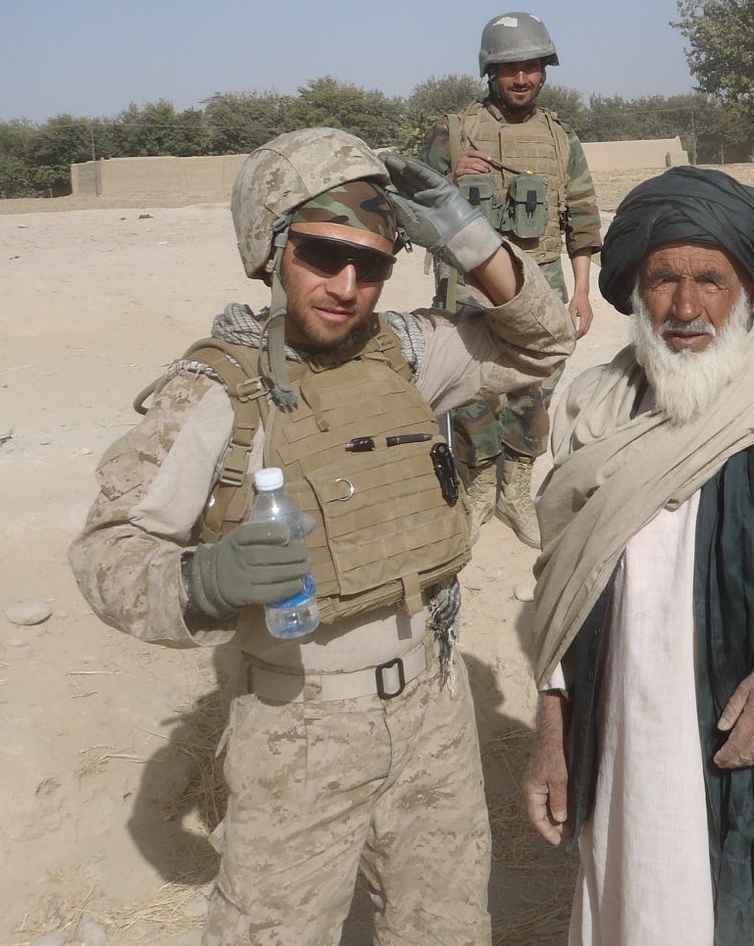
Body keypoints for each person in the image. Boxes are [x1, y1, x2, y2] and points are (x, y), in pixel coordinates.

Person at [70, 128, 574, 945]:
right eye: (323, 256)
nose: (347, 286)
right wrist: (202, 581)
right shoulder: (217, 392)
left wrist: (468, 236)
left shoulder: (405, 353)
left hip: (434, 712)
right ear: (270, 249)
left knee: (446, 929)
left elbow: (544, 340)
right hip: (299, 730)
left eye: (371, 265)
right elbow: (106, 550)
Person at [523, 168, 754, 946]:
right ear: (636, 290)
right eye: (663, 278)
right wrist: (552, 733)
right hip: (620, 743)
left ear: (749, 291)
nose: (686, 307)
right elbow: (561, 595)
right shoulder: (593, 409)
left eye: (710, 280)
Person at [418, 10, 602, 546]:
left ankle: (515, 490)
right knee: (469, 386)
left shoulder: (561, 138)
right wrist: (450, 177)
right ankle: (478, 489)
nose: (521, 78)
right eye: (509, 69)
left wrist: (582, 292)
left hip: (542, 277)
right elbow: (412, 202)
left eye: (531, 67)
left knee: (535, 388)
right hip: (469, 281)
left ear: (544, 71)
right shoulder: (452, 131)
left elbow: (582, 218)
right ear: (490, 72)